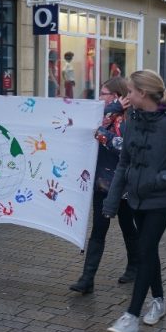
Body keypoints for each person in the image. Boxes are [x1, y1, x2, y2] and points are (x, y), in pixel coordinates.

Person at [103, 70, 166, 332]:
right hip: (136, 198)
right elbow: (124, 163)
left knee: (145, 248)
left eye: (130, 92)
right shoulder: (132, 120)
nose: (127, 96)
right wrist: (112, 201)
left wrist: (164, 177)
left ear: (143, 94)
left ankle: (131, 317)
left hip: (160, 200)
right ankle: (158, 300)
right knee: (149, 250)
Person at [69, 77, 139, 294]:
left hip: (123, 184)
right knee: (99, 230)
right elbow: (85, 123)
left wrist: (101, 134)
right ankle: (87, 279)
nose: (99, 97)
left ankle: (134, 266)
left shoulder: (129, 118)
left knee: (128, 227)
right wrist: (111, 110)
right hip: (102, 184)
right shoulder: (106, 114)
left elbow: (122, 146)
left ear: (116, 95)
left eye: (104, 93)